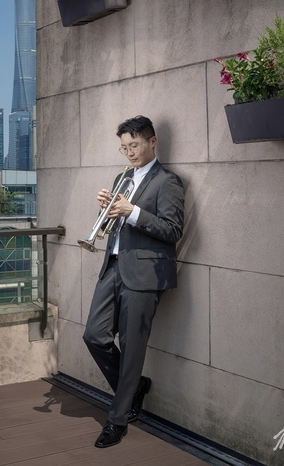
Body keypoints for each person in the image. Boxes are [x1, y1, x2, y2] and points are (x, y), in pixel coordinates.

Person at [82, 115, 184, 449]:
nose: (130, 152)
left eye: (135, 145)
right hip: (112, 266)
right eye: (125, 147)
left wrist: (132, 211)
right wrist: (107, 208)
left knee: (132, 346)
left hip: (144, 273)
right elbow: (116, 224)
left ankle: (117, 420)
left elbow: (172, 230)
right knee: (94, 335)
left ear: (152, 142)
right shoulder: (122, 176)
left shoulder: (168, 181)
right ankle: (134, 386)